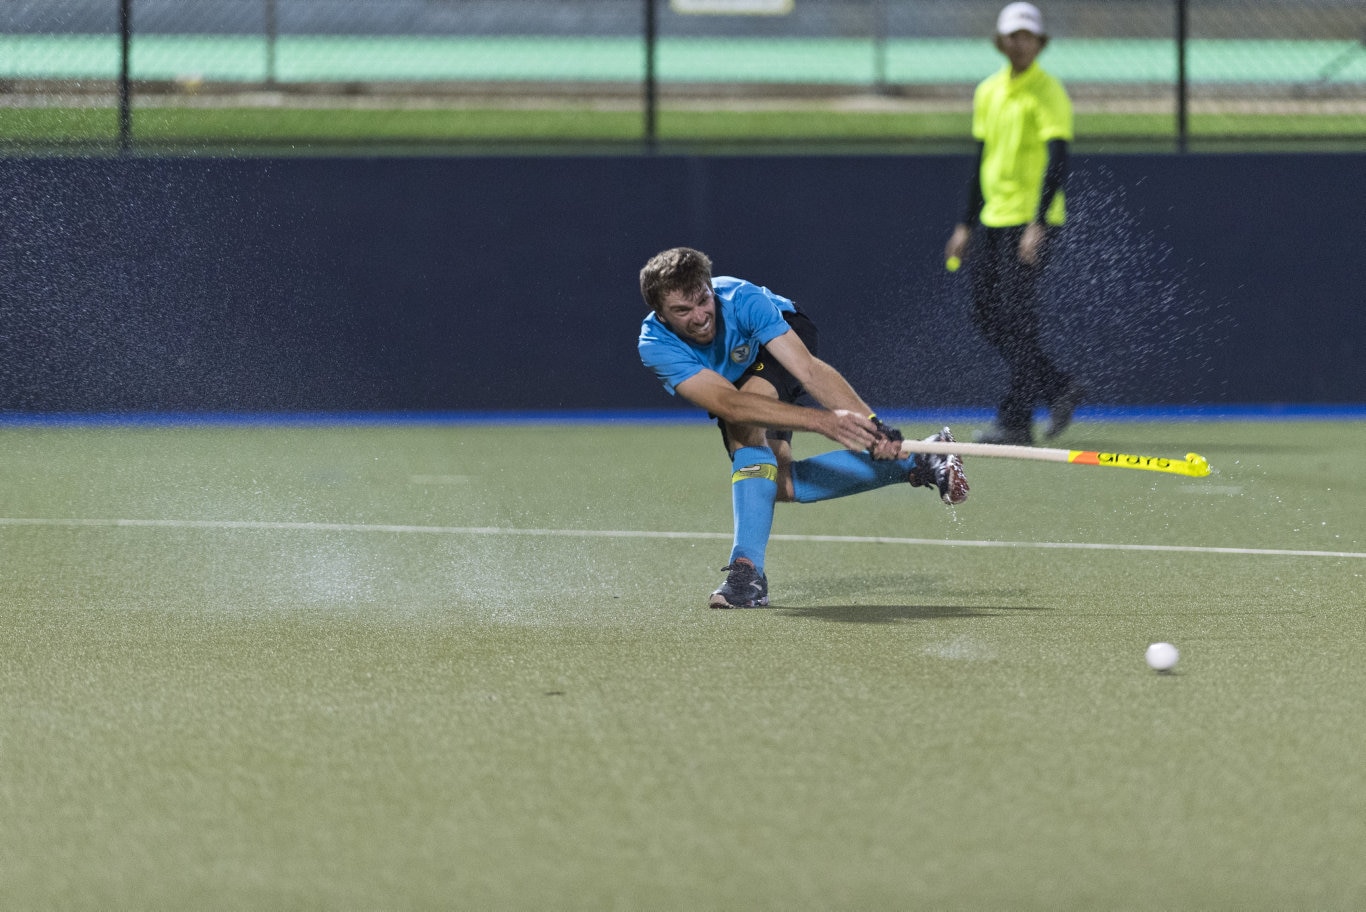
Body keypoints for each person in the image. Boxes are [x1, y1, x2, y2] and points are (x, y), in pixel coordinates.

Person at [637, 246, 969, 609]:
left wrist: (874, 427)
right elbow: (727, 402)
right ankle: (921, 461)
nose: (701, 317)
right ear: (661, 314)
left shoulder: (742, 299)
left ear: (709, 288)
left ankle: (746, 574)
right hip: (736, 387)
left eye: (703, 300)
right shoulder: (655, 344)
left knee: (745, 426)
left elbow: (808, 371)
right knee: (776, 483)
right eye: (683, 311)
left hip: (781, 340)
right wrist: (822, 421)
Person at [944, 1, 1086, 446]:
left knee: (1016, 318)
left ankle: (1015, 419)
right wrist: (966, 225)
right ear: (1002, 41)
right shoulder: (988, 91)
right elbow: (982, 158)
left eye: (1028, 36)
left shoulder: (1049, 91)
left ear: (1038, 43)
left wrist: (1039, 223)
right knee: (989, 317)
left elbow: (1058, 160)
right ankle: (1058, 386)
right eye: (1013, 36)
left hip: (1030, 222)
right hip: (993, 221)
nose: (1020, 43)